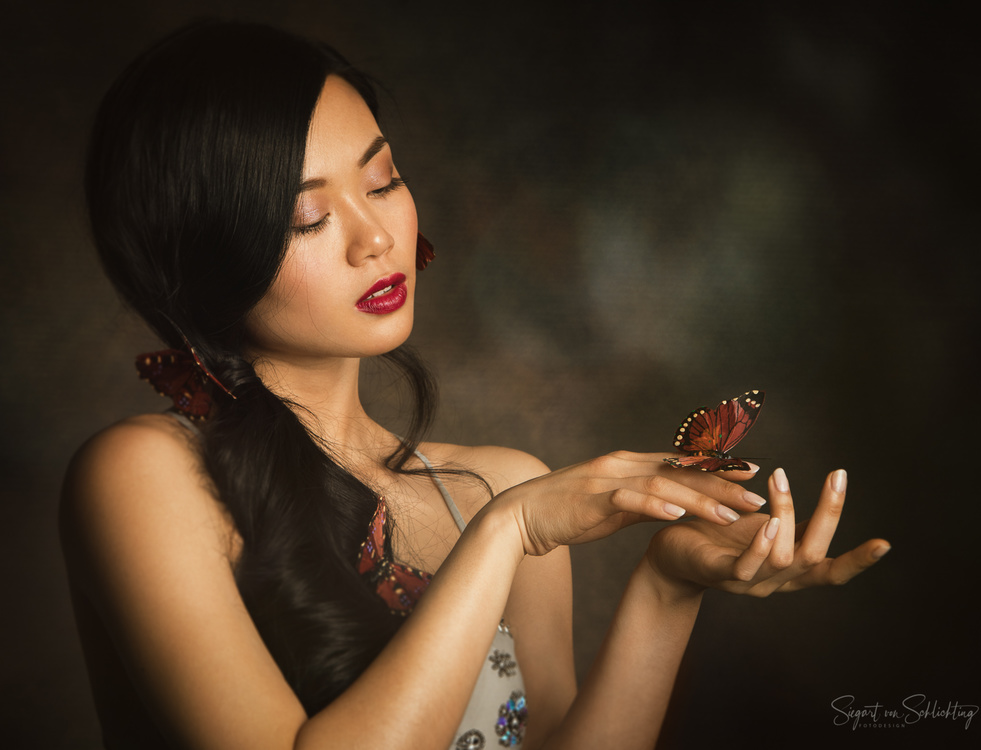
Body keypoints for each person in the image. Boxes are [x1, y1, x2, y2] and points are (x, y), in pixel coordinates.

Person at [60, 19, 890, 750]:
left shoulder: (496, 483)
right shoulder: (145, 475)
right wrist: (506, 532)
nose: (374, 236)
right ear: (207, 261)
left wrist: (667, 589)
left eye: (383, 180)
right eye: (305, 217)